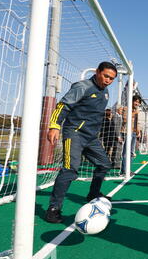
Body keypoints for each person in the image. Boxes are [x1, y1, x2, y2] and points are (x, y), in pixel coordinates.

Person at [45, 61, 117, 223]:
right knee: (70, 170)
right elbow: (63, 106)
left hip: (91, 138)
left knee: (104, 164)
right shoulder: (82, 87)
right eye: (106, 76)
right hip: (75, 134)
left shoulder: (105, 92)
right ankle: (53, 208)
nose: (108, 80)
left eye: (112, 79)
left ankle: (93, 194)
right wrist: (54, 126)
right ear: (97, 72)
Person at [120, 95, 141, 176]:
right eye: (136, 101)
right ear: (132, 101)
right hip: (126, 132)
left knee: (132, 152)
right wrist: (135, 112)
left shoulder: (136, 110)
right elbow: (125, 119)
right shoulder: (126, 108)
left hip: (134, 132)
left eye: (138, 102)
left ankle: (128, 170)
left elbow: (136, 122)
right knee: (126, 152)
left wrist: (138, 131)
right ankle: (124, 171)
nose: (137, 103)